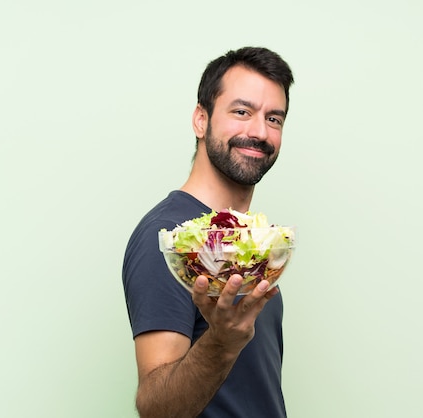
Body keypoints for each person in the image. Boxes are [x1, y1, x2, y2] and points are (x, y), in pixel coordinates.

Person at [122, 46, 295, 418]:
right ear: (201, 120)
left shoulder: (254, 243)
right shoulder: (169, 237)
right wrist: (222, 342)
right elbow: (155, 408)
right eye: (241, 111)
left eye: (274, 119)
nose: (259, 131)